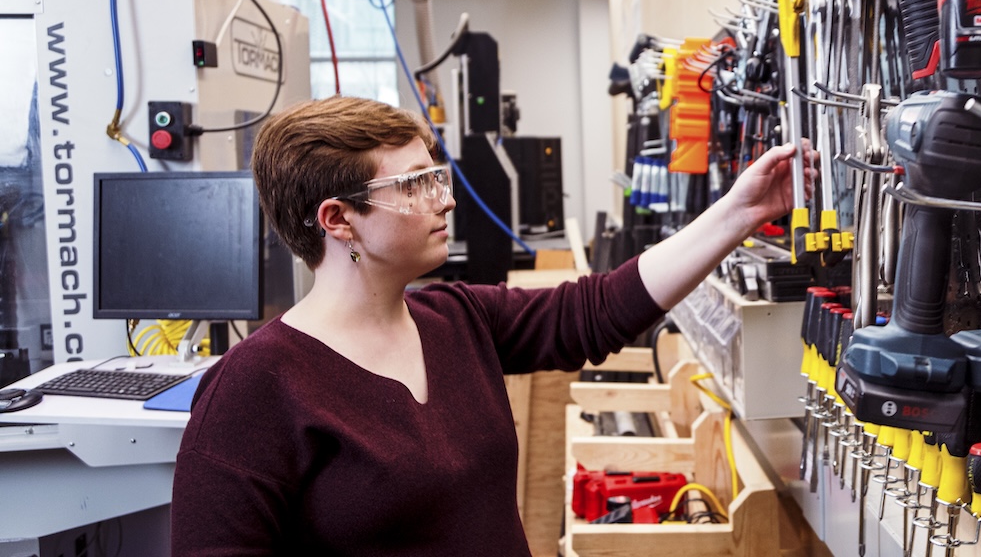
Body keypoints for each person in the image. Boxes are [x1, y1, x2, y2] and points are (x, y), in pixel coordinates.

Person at [171, 96, 815, 555]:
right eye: (415, 185)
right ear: (338, 220)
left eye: (437, 177)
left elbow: (597, 311)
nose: (446, 199)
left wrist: (740, 211)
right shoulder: (256, 388)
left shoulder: (455, 319)